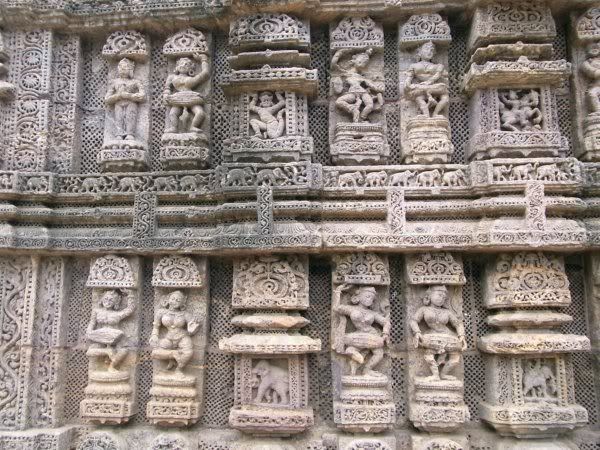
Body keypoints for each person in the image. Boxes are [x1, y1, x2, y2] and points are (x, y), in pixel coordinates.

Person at [409, 285, 466, 381]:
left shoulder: (447, 312)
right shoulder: (424, 309)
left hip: (448, 335)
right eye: (439, 295)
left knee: (455, 357)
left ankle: (444, 374)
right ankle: (435, 374)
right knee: (428, 351)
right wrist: (417, 332)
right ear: (429, 296)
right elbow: (413, 321)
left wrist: (461, 335)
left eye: (444, 297)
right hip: (431, 335)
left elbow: (458, 324)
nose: (441, 298)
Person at [332, 283, 390, 377]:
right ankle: (352, 352)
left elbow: (386, 322)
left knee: (379, 354)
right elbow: (336, 308)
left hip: (372, 335)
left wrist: (385, 333)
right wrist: (338, 291)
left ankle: (366, 369)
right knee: (347, 340)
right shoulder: (351, 309)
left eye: (372, 298)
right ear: (358, 297)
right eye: (367, 296)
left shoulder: (373, 313)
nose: (370, 299)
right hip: (358, 334)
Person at [149, 290, 200, 372]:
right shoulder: (161, 312)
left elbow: (192, 328)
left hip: (182, 337)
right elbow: (156, 326)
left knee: (189, 352)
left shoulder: (185, 314)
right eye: (173, 299)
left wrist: (193, 328)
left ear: (182, 303)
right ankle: (173, 354)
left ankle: (179, 369)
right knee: (155, 353)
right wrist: (154, 335)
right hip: (168, 338)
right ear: (168, 299)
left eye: (178, 300)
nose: (174, 301)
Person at [86, 289, 135, 371]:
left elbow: (130, 309)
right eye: (106, 299)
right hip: (100, 336)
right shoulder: (96, 311)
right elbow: (92, 323)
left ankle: (112, 366)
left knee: (124, 350)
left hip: (115, 336)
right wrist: (89, 332)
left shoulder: (117, 314)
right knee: (90, 351)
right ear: (102, 299)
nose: (107, 302)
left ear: (115, 303)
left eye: (111, 300)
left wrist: (130, 294)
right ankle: (106, 352)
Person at [331, 47, 384, 123]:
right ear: (354, 61)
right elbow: (334, 64)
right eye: (361, 60)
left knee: (370, 105)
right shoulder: (346, 73)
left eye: (365, 62)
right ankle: (353, 109)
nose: (363, 62)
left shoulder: (363, 78)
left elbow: (372, 85)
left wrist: (379, 89)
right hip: (352, 93)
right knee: (339, 101)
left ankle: (362, 118)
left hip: (363, 93)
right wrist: (341, 51)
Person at [163, 55, 210, 133]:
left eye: (186, 64)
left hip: (191, 98)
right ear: (177, 66)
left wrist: (203, 59)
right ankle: (174, 127)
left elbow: (205, 74)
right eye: (181, 63)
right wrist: (166, 95)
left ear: (190, 69)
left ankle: (193, 126)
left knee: (200, 113)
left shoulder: (192, 79)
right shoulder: (172, 77)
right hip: (177, 99)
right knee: (172, 113)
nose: (183, 65)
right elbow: (167, 88)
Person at [404, 41, 449, 118]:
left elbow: (437, 76)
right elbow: (409, 78)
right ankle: (426, 114)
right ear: (419, 52)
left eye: (431, 50)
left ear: (434, 53)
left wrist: (428, 83)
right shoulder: (414, 66)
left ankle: (435, 113)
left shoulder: (438, 66)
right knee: (419, 98)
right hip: (420, 87)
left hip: (433, 87)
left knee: (445, 98)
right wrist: (407, 84)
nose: (429, 51)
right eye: (426, 49)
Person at [104, 58, 145, 140]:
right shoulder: (115, 82)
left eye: (125, 68)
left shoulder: (136, 82)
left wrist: (129, 96)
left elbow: (143, 96)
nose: (122, 70)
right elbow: (107, 99)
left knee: (130, 117)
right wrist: (118, 96)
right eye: (120, 68)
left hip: (131, 103)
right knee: (119, 118)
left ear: (130, 69)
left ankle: (130, 134)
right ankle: (119, 134)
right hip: (118, 103)